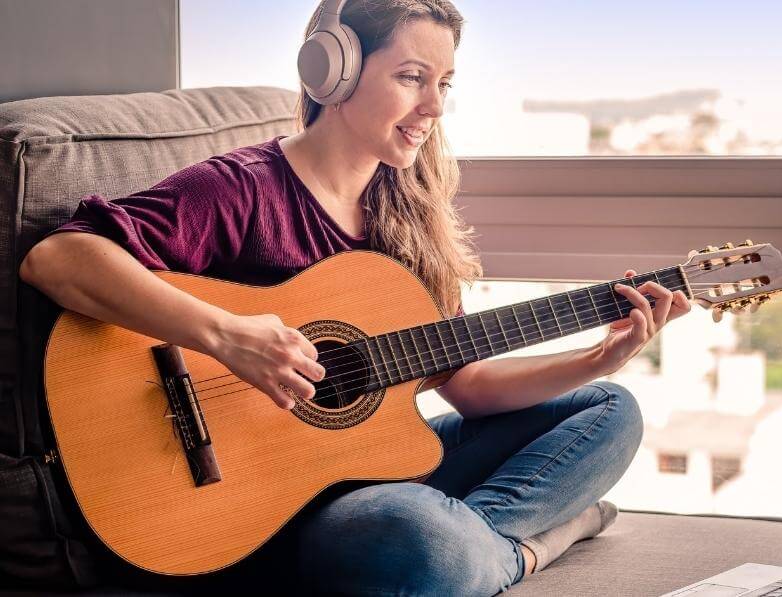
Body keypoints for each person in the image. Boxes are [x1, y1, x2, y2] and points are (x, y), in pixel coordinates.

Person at [18, 0, 691, 593]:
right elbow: (58, 259)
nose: (433, 107)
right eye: (411, 78)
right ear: (331, 72)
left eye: (444, 85)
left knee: (610, 407)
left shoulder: (410, 214)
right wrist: (226, 334)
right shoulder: (242, 189)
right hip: (262, 507)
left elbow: (465, 382)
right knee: (415, 538)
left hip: (371, 471)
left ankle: (475, 548)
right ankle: (529, 542)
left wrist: (598, 356)